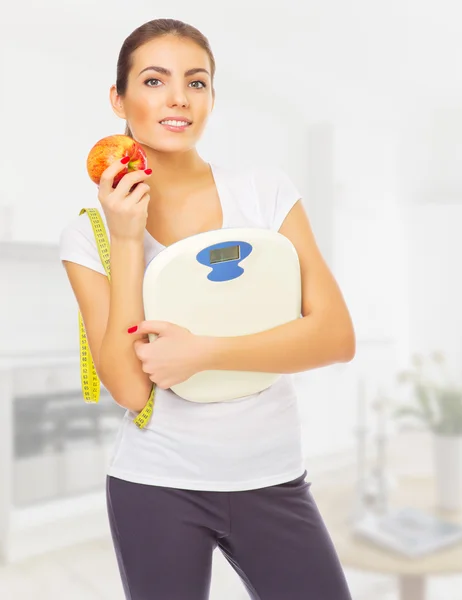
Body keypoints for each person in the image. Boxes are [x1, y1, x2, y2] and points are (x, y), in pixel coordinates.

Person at [59, 17, 356, 600]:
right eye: (153, 80)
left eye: (196, 83)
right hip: (156, 485)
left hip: (273, 478)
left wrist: (205, 353)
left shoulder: (265, 193)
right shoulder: (88, 235)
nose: (177, 98)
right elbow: (129, 388)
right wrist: (126, 239)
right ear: (118, 98)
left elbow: (335, 336)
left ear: (212, 97)